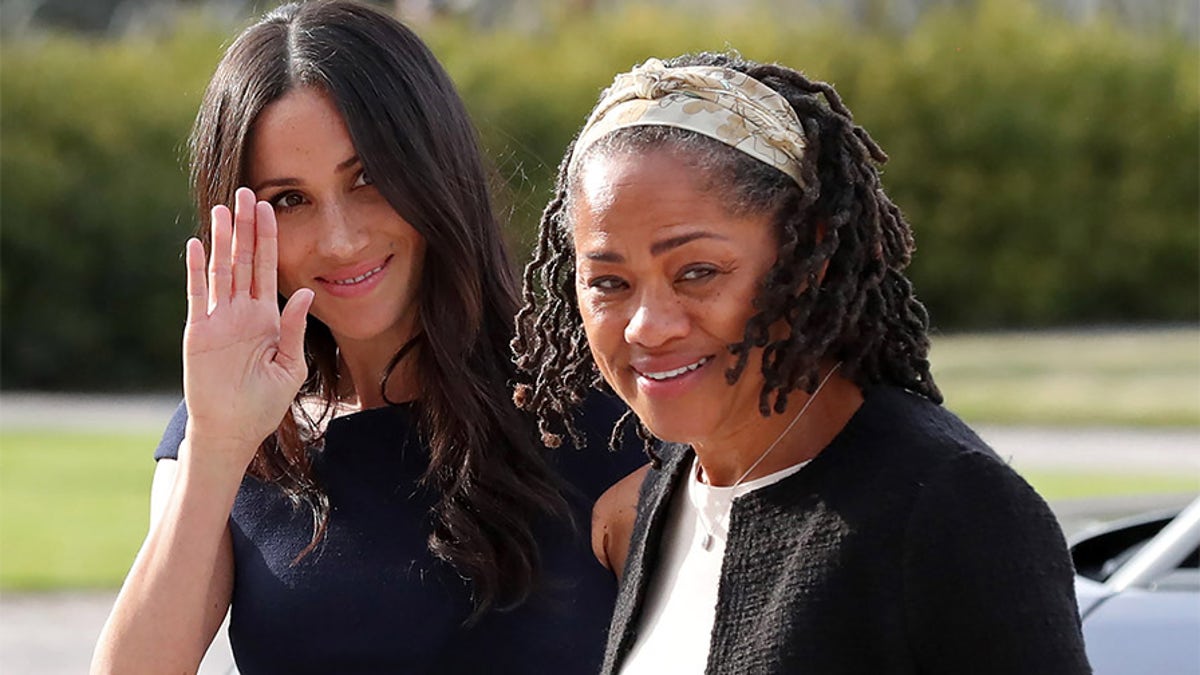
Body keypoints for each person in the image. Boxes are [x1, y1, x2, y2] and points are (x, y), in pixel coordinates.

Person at [91, 2, 642, 673]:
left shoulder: (599, 414)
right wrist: (218, 443)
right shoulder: (225, 431)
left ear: (436, 170)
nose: (342, 239)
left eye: (369, 179)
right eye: (290, 199)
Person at [512, 53, 1093, 674]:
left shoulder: (948, 508)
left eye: (697, 273)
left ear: (807, 258)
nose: (648, 325)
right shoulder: (667, 493)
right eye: (608, 283)